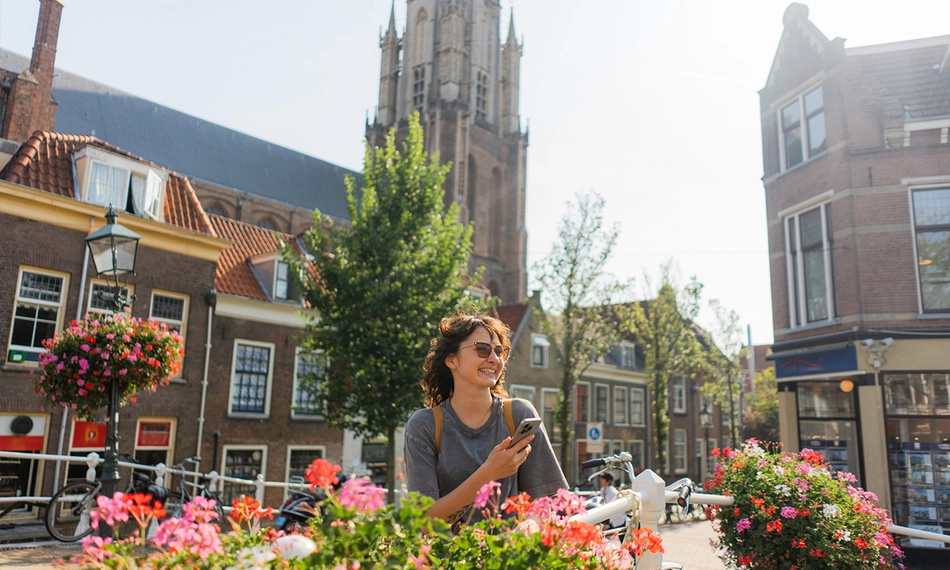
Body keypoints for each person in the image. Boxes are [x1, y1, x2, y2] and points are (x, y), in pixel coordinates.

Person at [404, 313, 568, 524]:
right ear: (451, 359)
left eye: (499, 351)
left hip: (512, 546)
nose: (494, 358)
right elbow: (425, 524)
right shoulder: (424, 426)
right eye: (482, 349)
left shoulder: (520, 415)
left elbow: (552, 503)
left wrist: (530, 526)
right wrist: (489, 473)